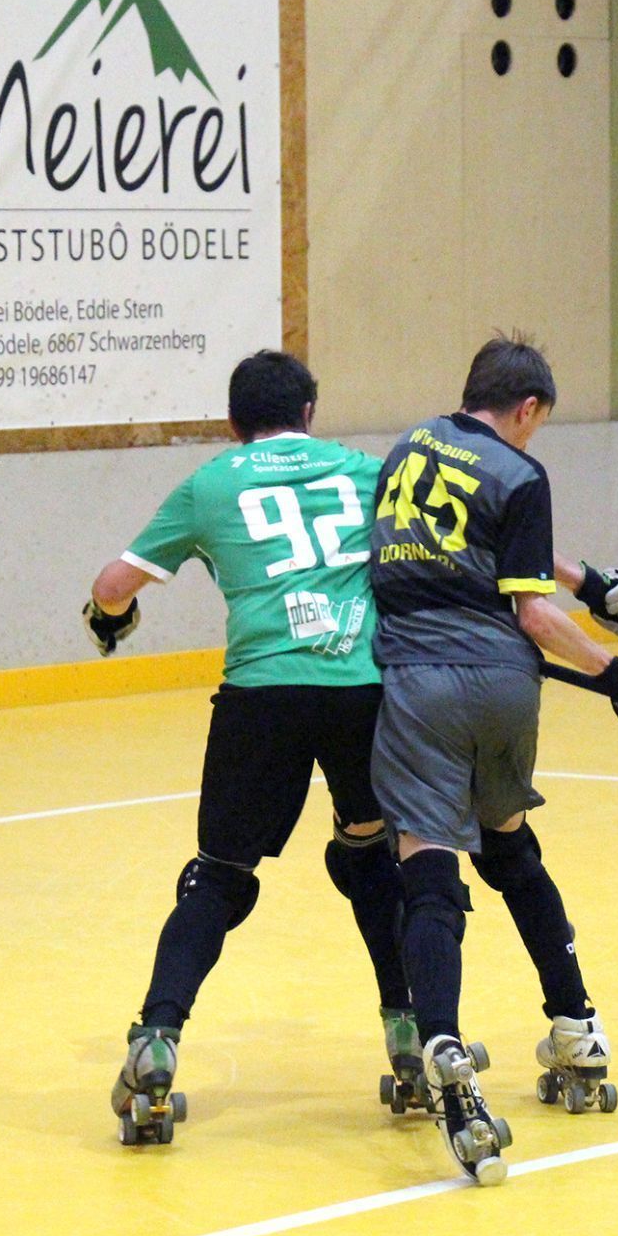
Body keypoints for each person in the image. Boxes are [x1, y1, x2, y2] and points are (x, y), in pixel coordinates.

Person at [86, 349, 416, 1145]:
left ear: (235, 424)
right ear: (310, 411)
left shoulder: (213, 483)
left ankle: (157, 1038)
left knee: (219, 877)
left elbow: (113, 586)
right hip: (364, 690)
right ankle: (409, 1034)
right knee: (374, 857)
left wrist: (109, 622)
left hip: (261, 696)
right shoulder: (368, 470)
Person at [369, 333, 618, 1184]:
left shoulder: (409, 447)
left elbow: (488, 558)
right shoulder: (522, 473)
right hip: (506, 687)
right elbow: (529, 614)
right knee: (508, 844)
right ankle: (575, 1022)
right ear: (529, 408)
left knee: (428, 861)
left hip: (419, 682)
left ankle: (442, 1043)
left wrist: (587, 583)